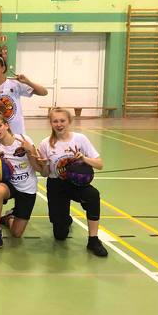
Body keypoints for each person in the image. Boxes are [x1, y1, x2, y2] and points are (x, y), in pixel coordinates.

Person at [37, 107, 108, 257]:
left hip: (77, 183)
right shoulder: (45, 144)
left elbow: (100, 164)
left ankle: (93, 240)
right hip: (56, 184)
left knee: (93, 195)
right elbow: (45, 174)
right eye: (55, 121)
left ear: (69, 121)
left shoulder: (80, 139)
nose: (59, 124)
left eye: (62, 120)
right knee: (60, 235)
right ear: (51, 123)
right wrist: (43, 165)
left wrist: (84, 159)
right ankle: (65, 220)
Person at [0, 53, 48, 205]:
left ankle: (18, 206)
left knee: (20, 170)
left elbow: (44, 92)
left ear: (3, 68)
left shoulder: (15, 84)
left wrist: (27, 81)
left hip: (16, 137)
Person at [0, 113, 42, 249]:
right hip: (10, 185)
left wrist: (30, 151)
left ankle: (8, 218)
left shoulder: (23, 140)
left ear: (6, 125)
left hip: (27, 187)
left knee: (16, 233)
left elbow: (38, 168)